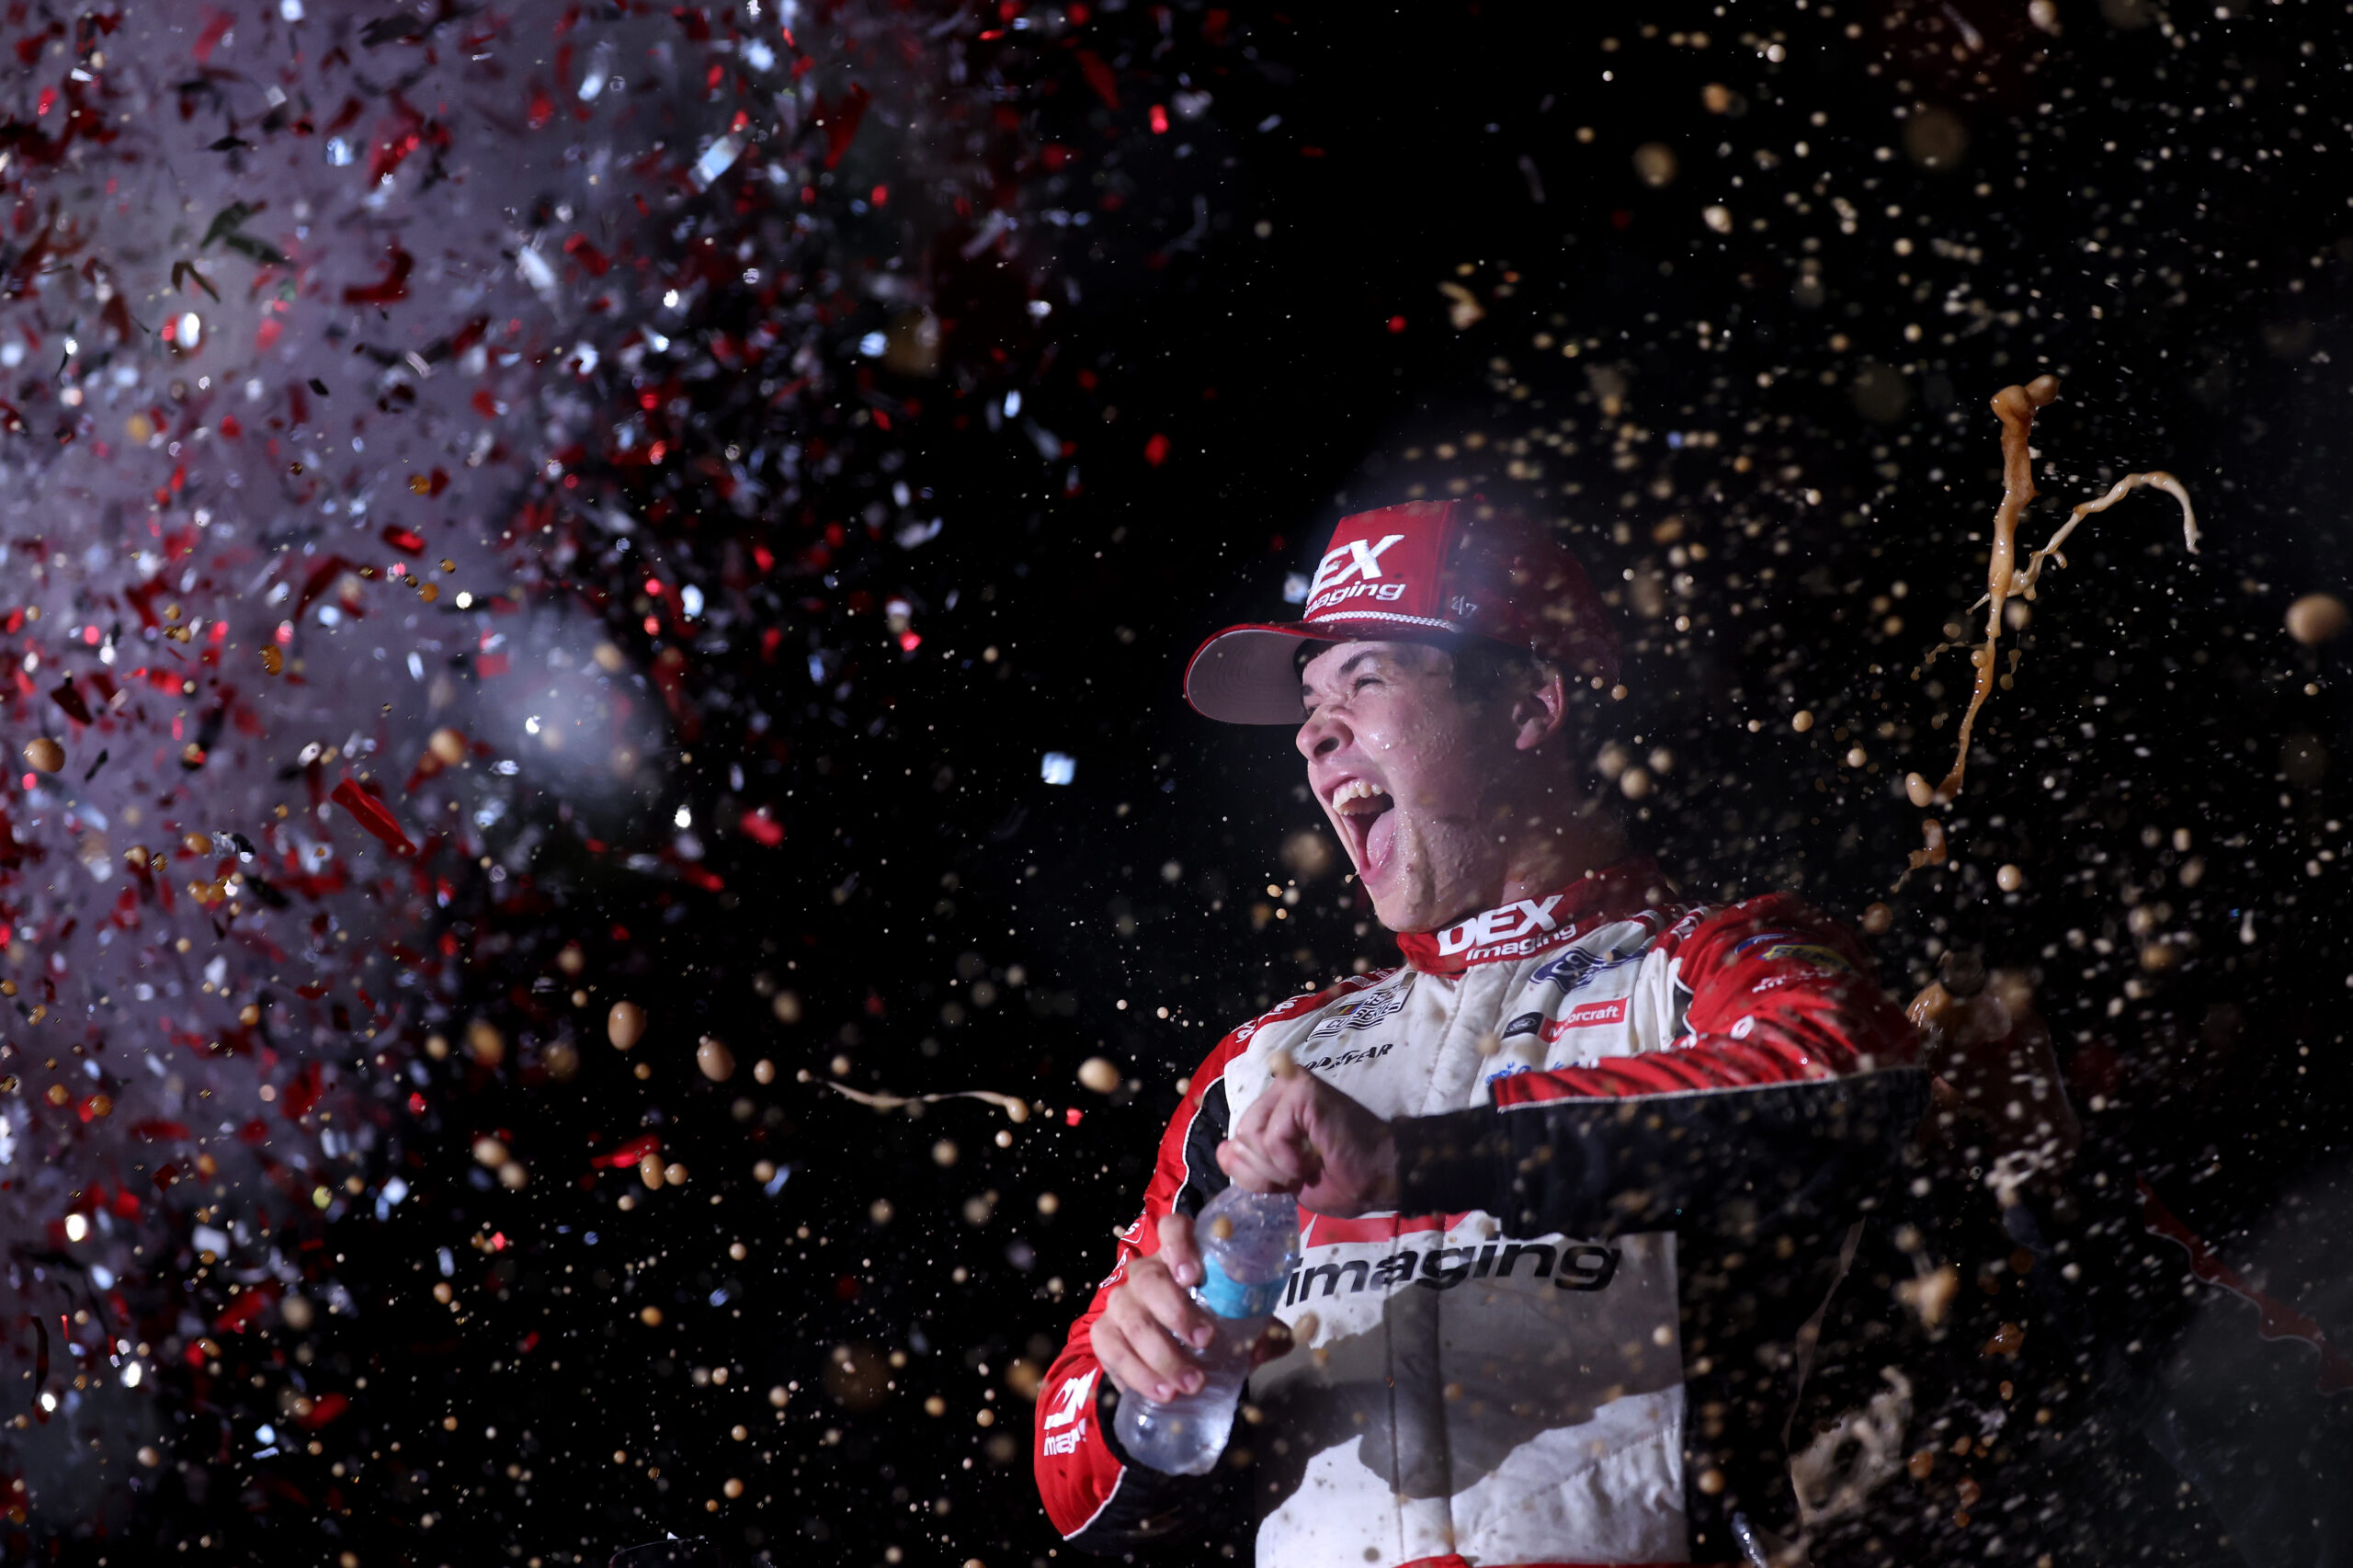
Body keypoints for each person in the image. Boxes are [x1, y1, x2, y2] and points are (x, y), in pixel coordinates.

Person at [1032, 500, 1929, 1567]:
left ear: (1528, 705)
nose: (1316, 734)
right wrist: (1139, 1390)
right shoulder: (1265, 1057)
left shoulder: (1706, 955)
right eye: (1310, 704)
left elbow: (1843, 1082)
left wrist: (1422, 1158)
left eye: (1364, 679)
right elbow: (1075, 1494)